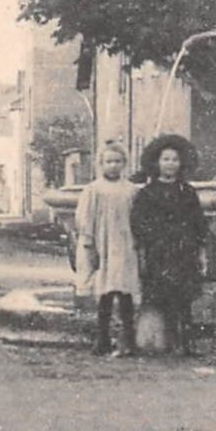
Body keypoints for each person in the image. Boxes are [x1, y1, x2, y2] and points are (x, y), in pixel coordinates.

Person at [130, 134, 207, 356]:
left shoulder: (188, 192)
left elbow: (198, 222)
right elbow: (138, 222)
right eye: (166, 159)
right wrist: (151, 240)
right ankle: (156, 341)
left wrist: (200, 249)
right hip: (158, 252)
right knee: (157, 295)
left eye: (175, 159)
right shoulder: (147, 193)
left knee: (183, 297)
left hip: (184, 251)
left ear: (181, 163)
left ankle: (185, 343)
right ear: (156, 162)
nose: (170, 164)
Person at [75, 142, 140, 356]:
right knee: (104, 292)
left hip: (124, 244)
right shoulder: (94, 190)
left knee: (125, 291)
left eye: (118, 161)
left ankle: (128, 339)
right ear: (101, 164)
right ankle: (102, 338)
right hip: (103, 243)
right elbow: (86, 218)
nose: (113, 166)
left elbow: (137, 219)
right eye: (109, 161)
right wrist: (88, 243)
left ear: (124, 164)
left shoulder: (131, 190)